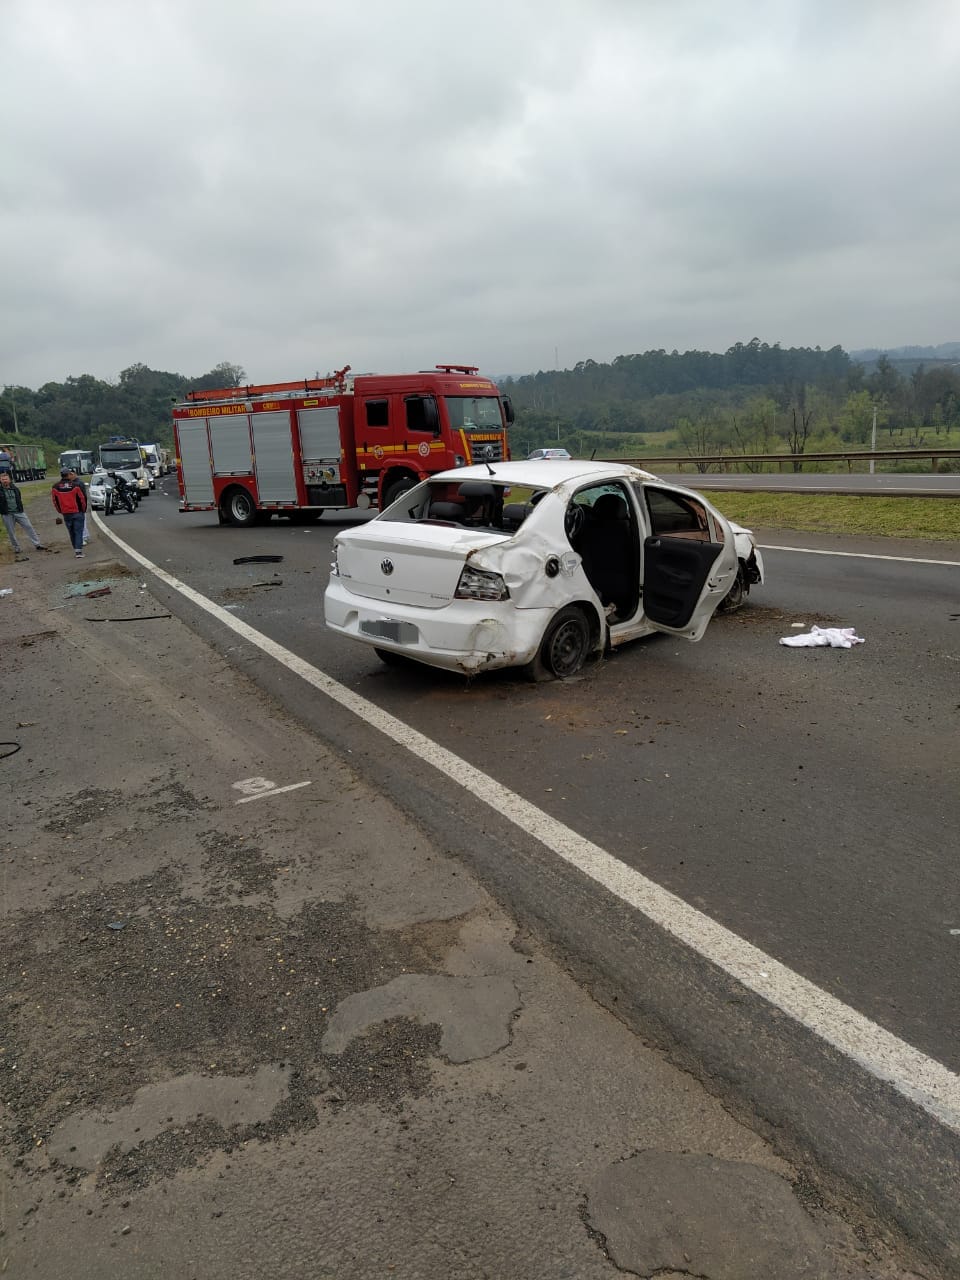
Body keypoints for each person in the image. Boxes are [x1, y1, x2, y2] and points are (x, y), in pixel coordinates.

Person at [0, 471, 46, 558]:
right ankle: (16, 548)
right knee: (11, 532)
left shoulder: (15, 488)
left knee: (29, 527)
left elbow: (19, 498)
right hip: (7, 514)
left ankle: (37, 544)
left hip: (19, 512)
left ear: (9, 480)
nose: (5, 481)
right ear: (0, 480)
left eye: (6, 479)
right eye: (3, 479)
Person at [51, 467, 88, 557]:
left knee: (71, 531)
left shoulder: (55, 487)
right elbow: (82, 499)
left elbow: (55, 501)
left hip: (66, 513)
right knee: (78, 531)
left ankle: (76, 548)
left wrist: (60, 510)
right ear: (68, 474)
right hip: (77, 512)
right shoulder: (75, 486)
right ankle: (78, 551)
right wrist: (83, 509)